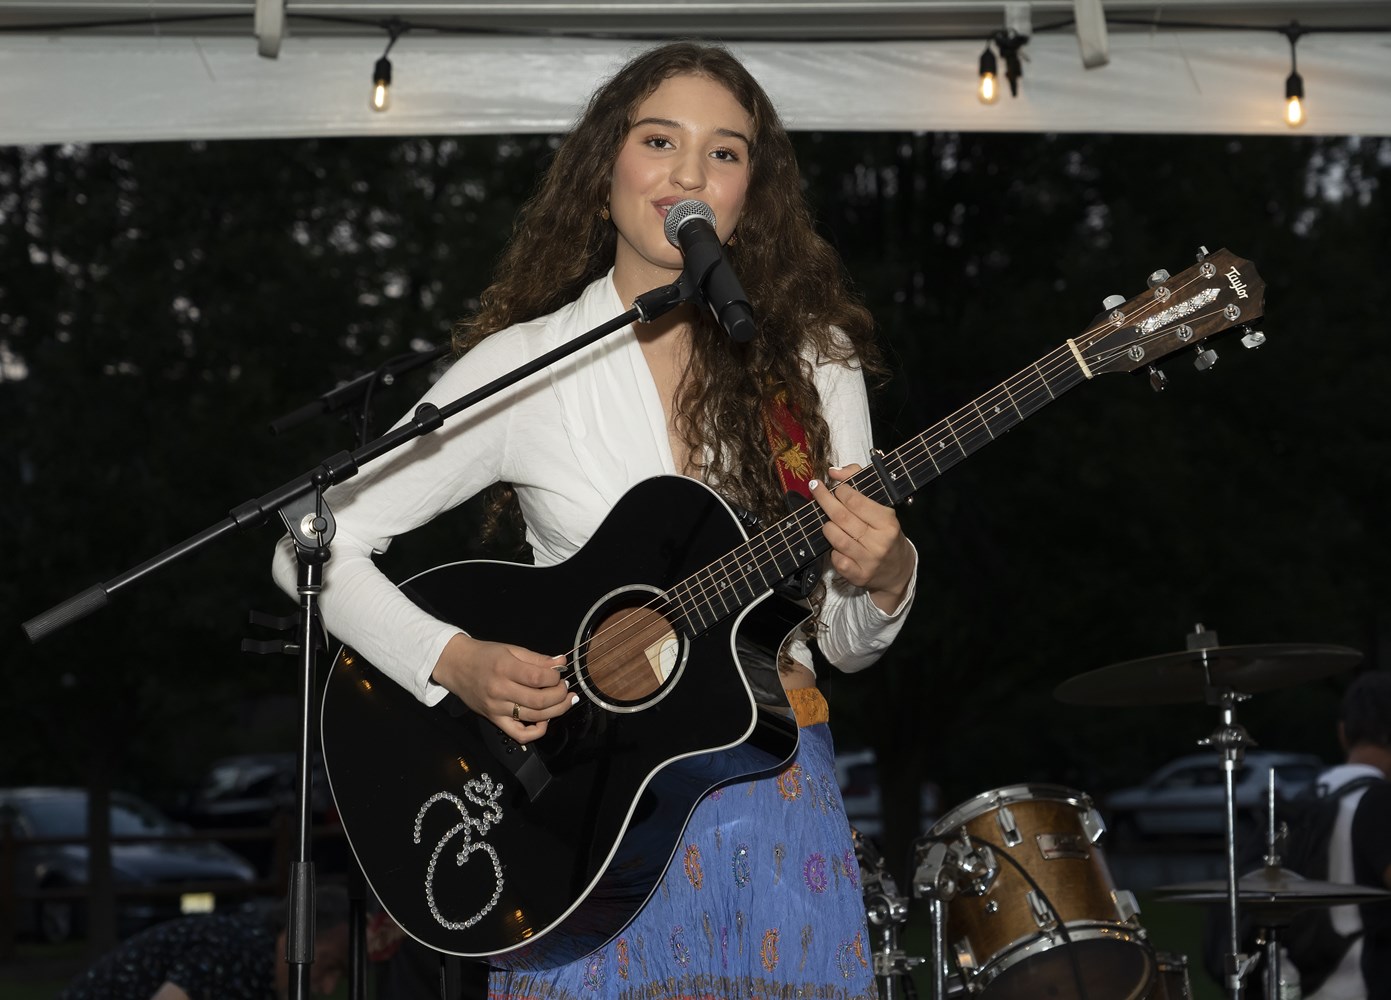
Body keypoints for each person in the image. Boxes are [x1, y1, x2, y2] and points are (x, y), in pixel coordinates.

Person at [273, 41, 916, 999]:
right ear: (604, 168)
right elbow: (311, 545)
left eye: (724, 152)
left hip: (771, 802)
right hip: (576, 829)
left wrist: (887, 576)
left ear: (750, 193)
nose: (689, 173)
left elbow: (838, 640)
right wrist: (452, 659)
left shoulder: (810, 362)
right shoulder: (526, 366)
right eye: (659, 141)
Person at [59, 886, 351, 1000]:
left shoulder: (260, 972)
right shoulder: (236, 953)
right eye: (328, 966)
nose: (328, 988)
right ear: (295, 937)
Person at [1306, 670, 1391, 1000]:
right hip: (1364, 984)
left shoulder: (1306, 799)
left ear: (1343, 733)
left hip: (1301, 980)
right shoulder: (1380, 802)